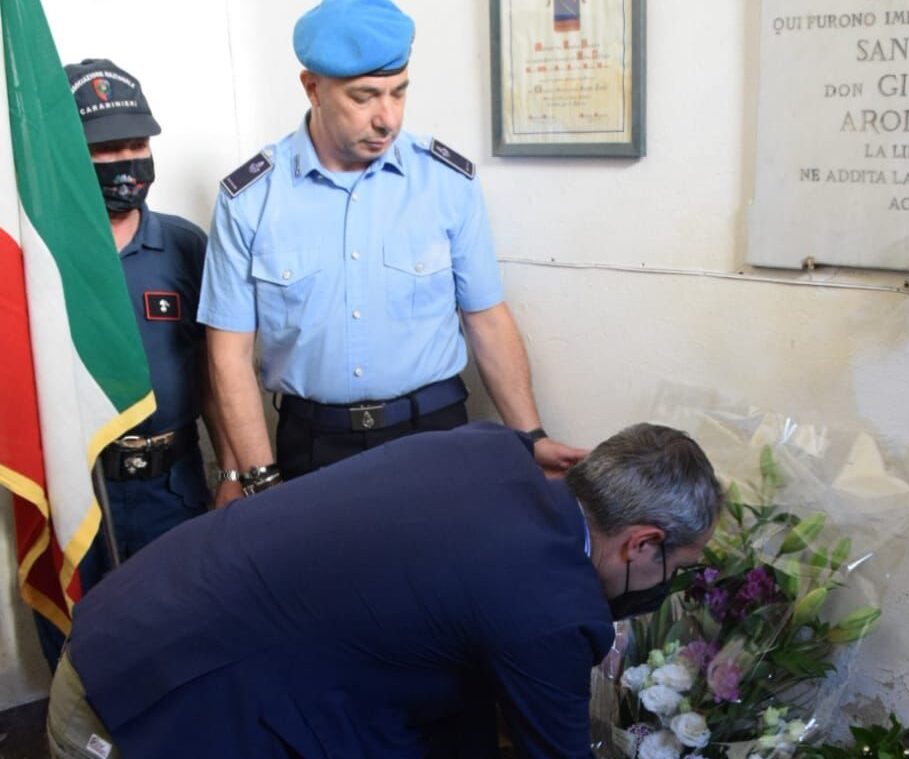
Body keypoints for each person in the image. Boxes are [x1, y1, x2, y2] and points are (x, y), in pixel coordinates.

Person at [46, 422, 722, 758]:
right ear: (641, 543)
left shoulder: (490, 448)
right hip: (144, 702)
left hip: (129, 613)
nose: (671, 584)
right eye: (678, 566)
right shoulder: (551, 606)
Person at [197, 0, 585, 496]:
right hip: (315, 447)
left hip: (435, 434)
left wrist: (529, 437)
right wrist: (259, 478)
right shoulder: (250, 199)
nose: (388, 119)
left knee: (446, 572)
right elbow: (228, 354)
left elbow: (486, 317)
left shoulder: (446, 182)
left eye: (398, 93)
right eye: (364, 98)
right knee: (329, 575)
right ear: (312, 87)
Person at [30, 60, 237, 671]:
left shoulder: (182, 245)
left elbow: (216, 372)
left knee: (183, 638)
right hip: (72, 491)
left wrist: (232, 472)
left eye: (137, 143)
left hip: (171, 487)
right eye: (105, 148)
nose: (127, 160)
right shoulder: (37, 255)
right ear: (68, 153)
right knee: (79, 651)